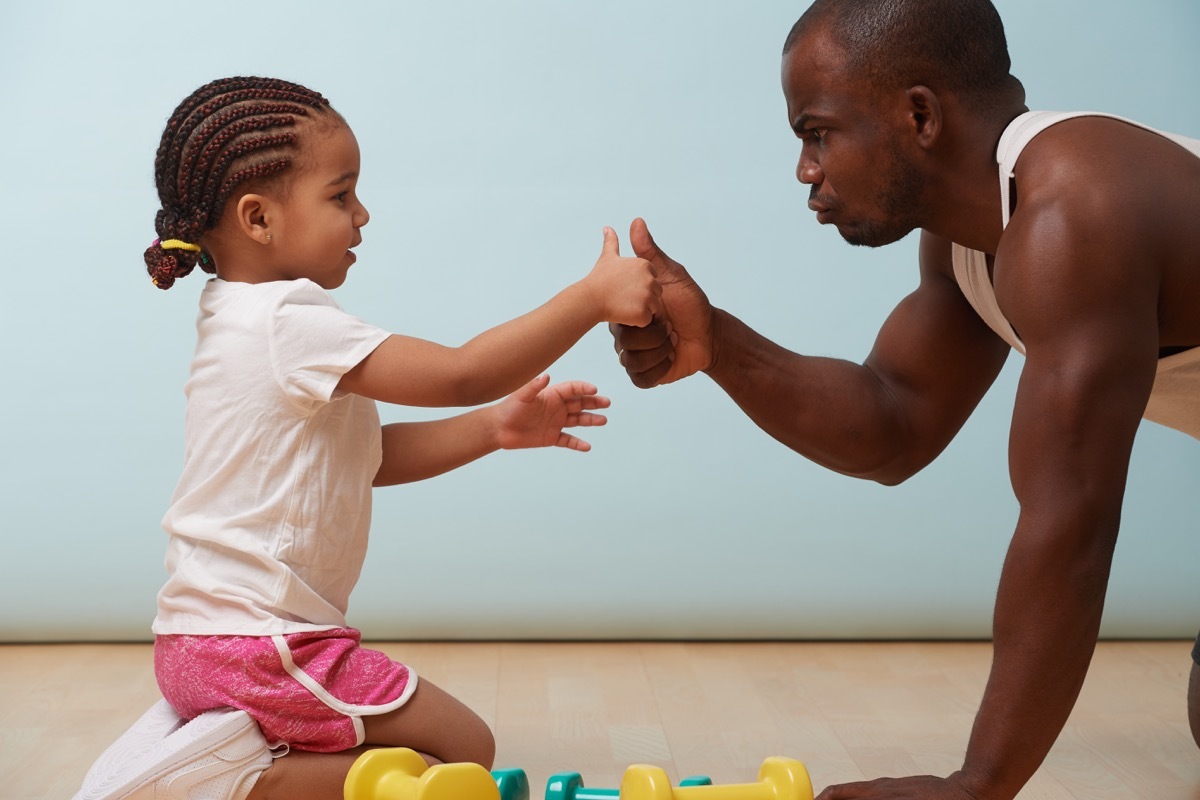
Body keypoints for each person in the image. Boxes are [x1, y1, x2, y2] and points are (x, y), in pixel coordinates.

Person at [610, 1, 1200, 798]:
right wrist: (717, 344)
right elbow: (894, 422)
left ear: (919, 115)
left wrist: (976, 786)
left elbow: (1071, 523)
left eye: (817, 132)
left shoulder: (1076, 213)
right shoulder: (976, 231)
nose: (805, 170)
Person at [74, 75, 661, 800]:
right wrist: (589, 298)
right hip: (262, 648)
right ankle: (220, 786)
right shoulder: (288, 319)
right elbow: (459, 372)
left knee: (431, 765)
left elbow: (362, 461)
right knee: (464, 752)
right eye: (340, 195)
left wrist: (494, 429)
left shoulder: (235, 317)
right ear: (258, 219)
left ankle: (221, 750)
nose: (363, 214)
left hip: (201, 644)